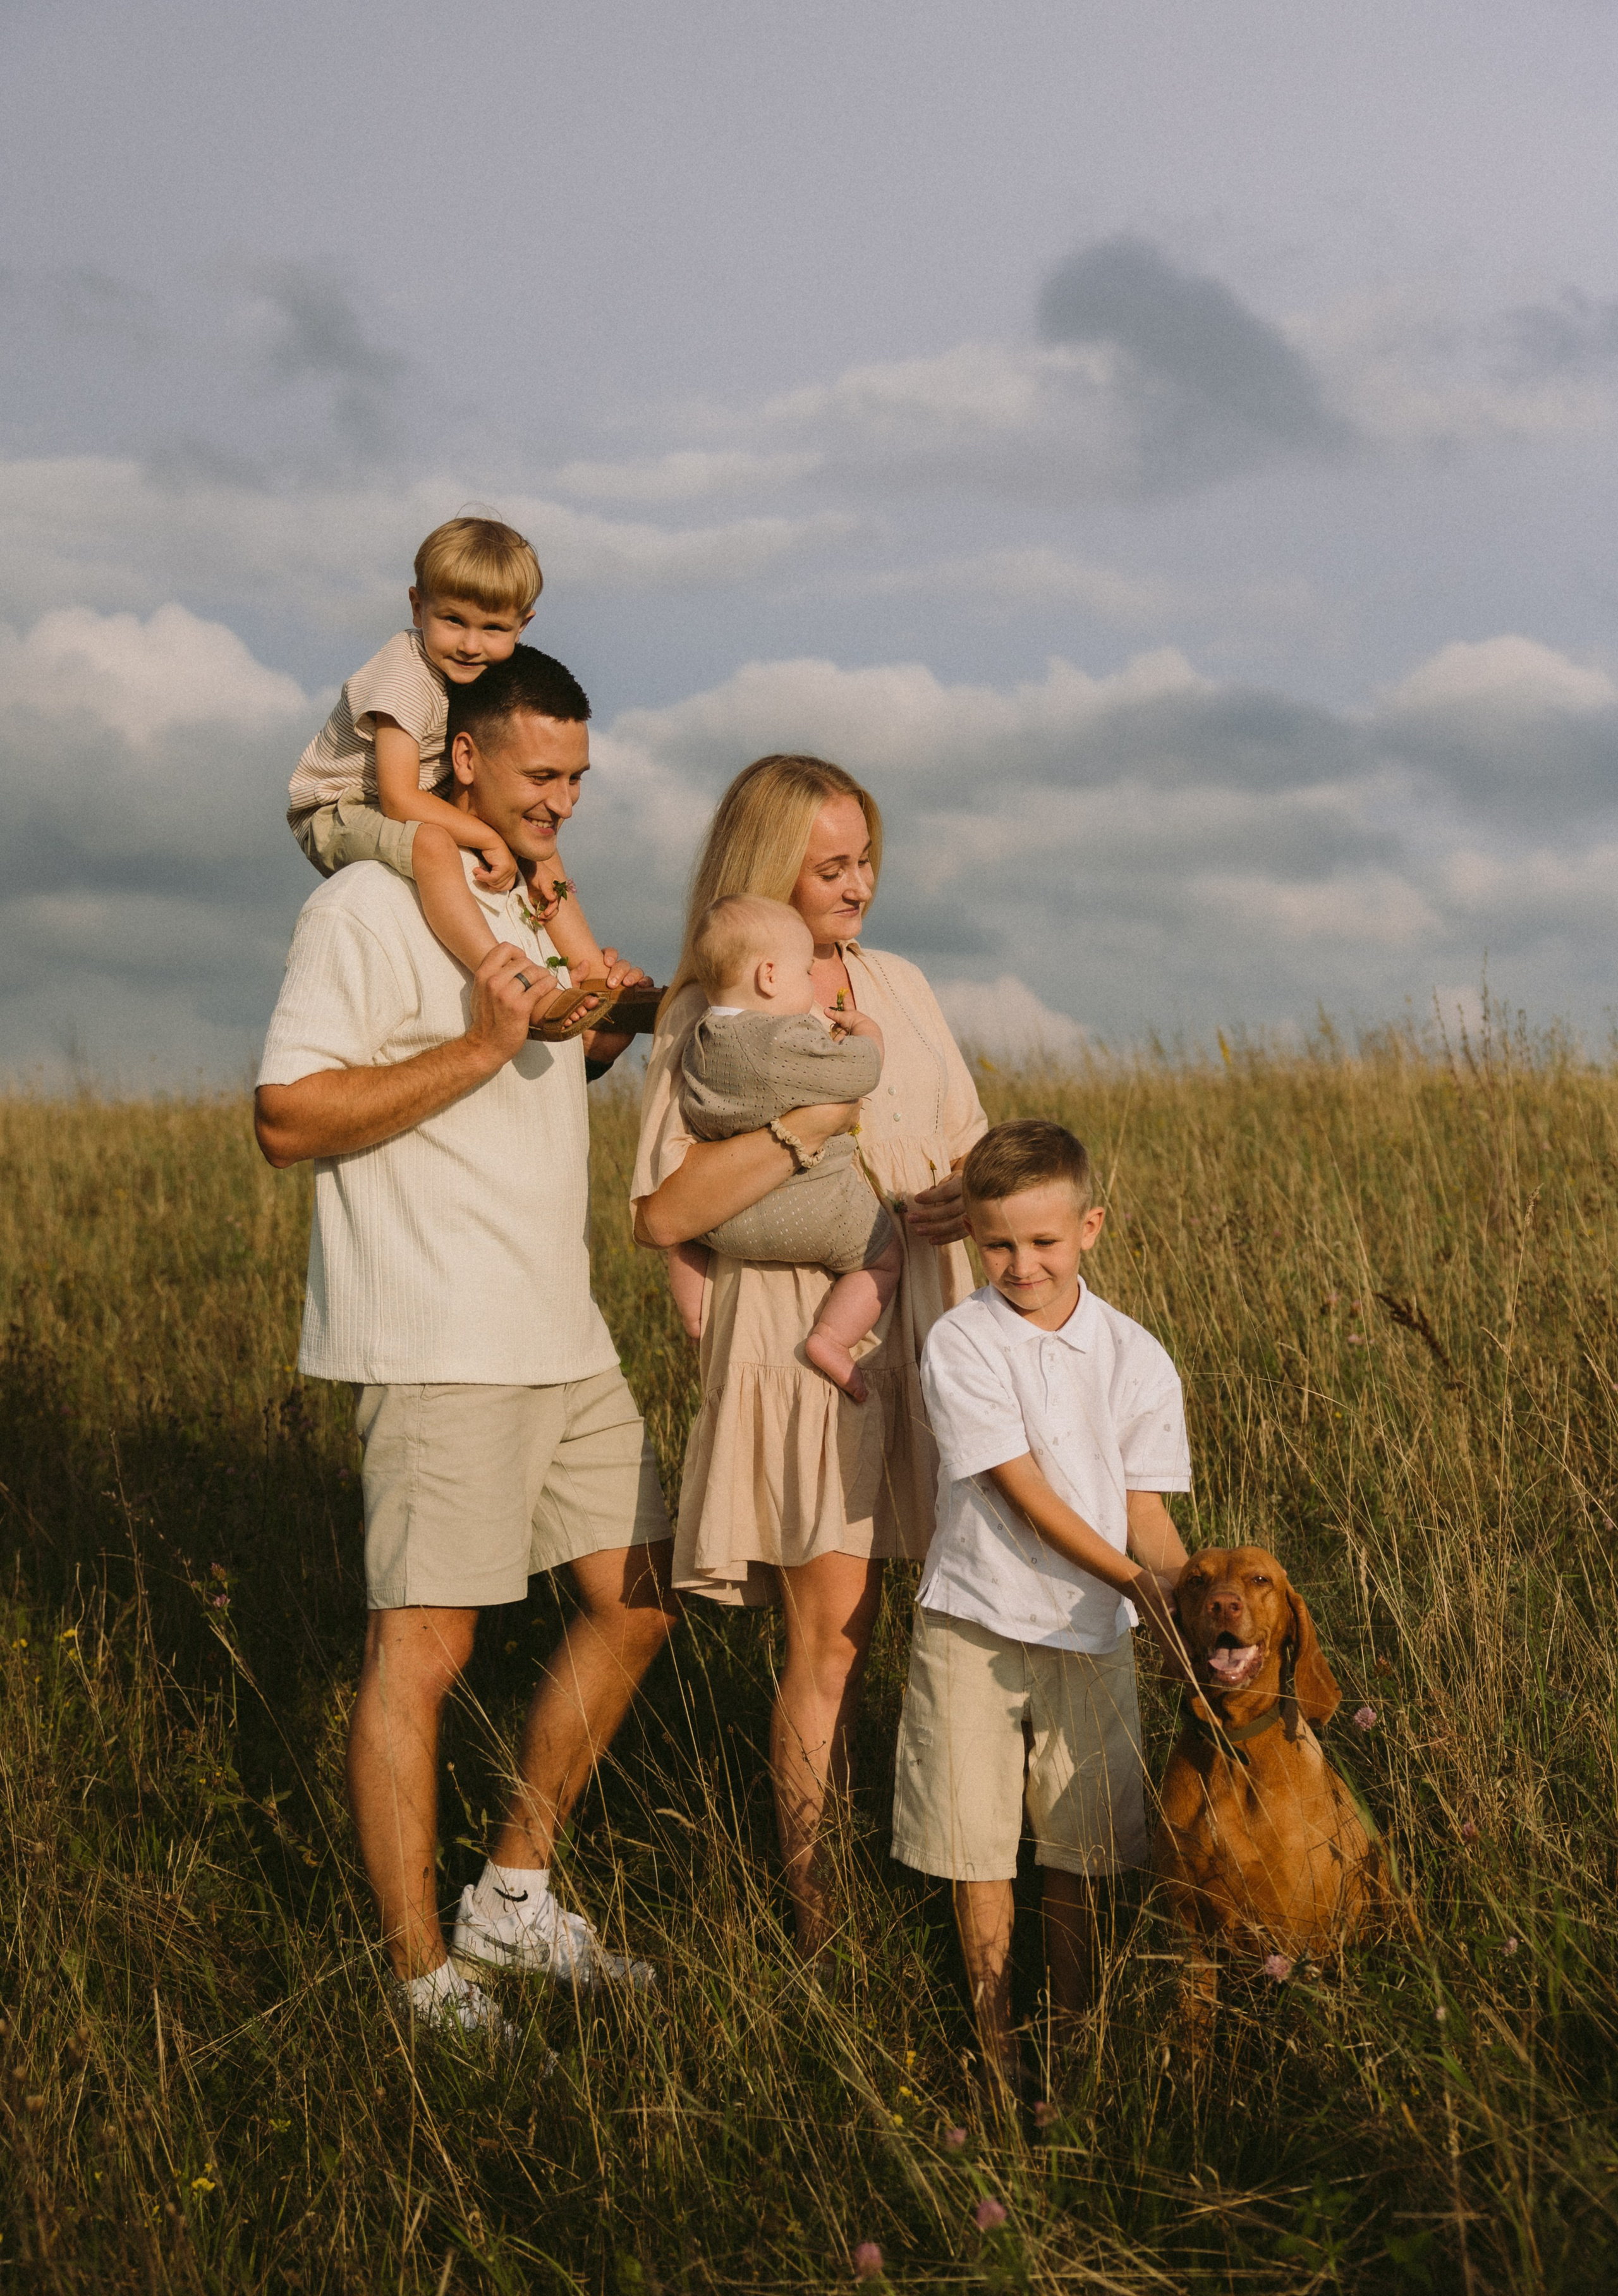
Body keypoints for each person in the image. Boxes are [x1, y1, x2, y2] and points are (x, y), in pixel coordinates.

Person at [256, 644, 675, 2047]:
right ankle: (420, 1975)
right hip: (438, 1332)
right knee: (420, 1651)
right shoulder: (370, 905)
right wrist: (488, 1045)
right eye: (540, 773)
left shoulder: (527, 899)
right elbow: (287, 1118)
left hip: (561, 1326)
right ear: (461, 762)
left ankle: (514, 1888)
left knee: (640, 1592)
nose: (561, 798)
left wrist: (620, 1011)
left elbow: (565, 1063)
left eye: (577, 776)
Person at [632, 755, 988, 1958]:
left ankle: (954, 1865)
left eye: (866, 860)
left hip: (928, 1314)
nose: (859, 885)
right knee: (829, 1635)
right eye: (830, 865)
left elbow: (968, 1137)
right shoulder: (713, 1010)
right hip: (795, 1338)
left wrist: (960, 1199)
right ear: (768, 869)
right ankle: (815, 1907)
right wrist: (811, 1131)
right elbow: (668, 1204)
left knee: (934, 1619)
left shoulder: (900, 984)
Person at [889, 1119, 1193, 2093]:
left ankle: (1070, 2043)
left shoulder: (1137, 1356)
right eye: (1000, 1245)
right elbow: (1023, 1491)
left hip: (1092, 1632)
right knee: (979, 1847)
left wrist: (1185, 1602)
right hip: (974, 1619)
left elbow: (1143, 1508)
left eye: (1044, 1242)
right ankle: (993, 2043)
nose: (1022, 1264)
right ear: (976, 1240)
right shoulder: (963, 1341)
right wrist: (1139, 1584)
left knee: (1082, 1846)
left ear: (1091, 1227)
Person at [285, 514, 609, 1020]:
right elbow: (396, 799)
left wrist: (518, 851)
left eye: (494, 628)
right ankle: (508, 977)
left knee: (539, 844)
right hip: (340, 807)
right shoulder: (406, 676)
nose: (471, 644)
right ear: (418, 606)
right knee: (435, 844)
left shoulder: (473, 671)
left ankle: (592, 974)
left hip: (408, 797)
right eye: (453, 620)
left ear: (523, 626)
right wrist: (488, 839)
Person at [667, 893, 904, 1403]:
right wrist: (867, 1032)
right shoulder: (783, 1035)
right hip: (814, 1212)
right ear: (769, 977)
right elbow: (859, 1074)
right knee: (883, 1259)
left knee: (679, 1232)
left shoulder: (700, 1038)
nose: (810, 988)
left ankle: (693, 1312)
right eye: (803, 975)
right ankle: (832, 1340)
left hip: (722, 1223)